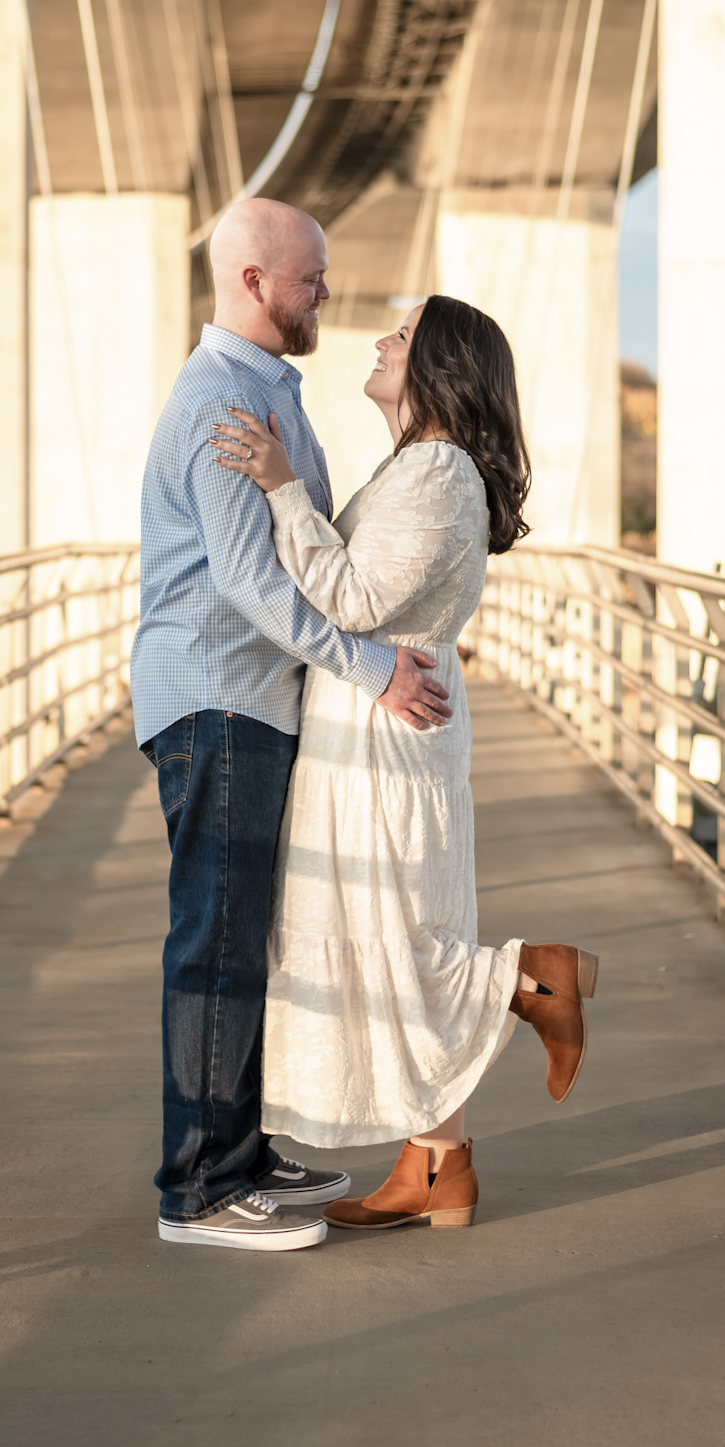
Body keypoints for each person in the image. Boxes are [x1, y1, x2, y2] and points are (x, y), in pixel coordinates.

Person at [212, 293, 598, 1232]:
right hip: (372, 716)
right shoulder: (416, 467)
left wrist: (278, 488)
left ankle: (530, 977)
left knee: (396, 940)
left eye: (401, 333)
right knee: (393, 929)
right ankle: (438, 1166)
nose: (381, 342)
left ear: (440, 367)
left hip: (385, 734)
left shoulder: (436, 473)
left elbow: (350, 597)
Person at [131, 198, 455, 1254]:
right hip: (219, 695)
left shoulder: (270, 391)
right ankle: (200, 1190)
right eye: (308, 274)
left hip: (255, 699)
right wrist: (370, 670)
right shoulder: (223, 399)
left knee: (243, 933)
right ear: (254, 282)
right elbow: (249, 579)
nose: (325, 288)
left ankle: (242, 1146)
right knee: (214, 941)